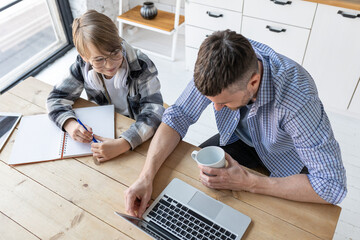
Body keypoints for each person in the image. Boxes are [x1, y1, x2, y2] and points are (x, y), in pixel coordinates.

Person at [124, 30, 347, 218]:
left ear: (254, 82)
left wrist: (250, 183)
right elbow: (178, 116)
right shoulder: (217, 64)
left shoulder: (297, 99)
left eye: (223, 102)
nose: (217, 109)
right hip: (238, 140)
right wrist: (145, 177)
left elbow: (332, 185)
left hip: (286, 157)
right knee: (194, 190)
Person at [46, 10, 164, 163]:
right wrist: (69, 124)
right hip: (105, 126)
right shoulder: (82, 65)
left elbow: (155, 112)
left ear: (119, 41)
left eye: (115, 52)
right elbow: (56, 98)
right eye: (99, 60)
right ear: (85, 57)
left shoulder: (141, 64)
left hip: (136, 129)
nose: (110, 65)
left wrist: (124, 143)